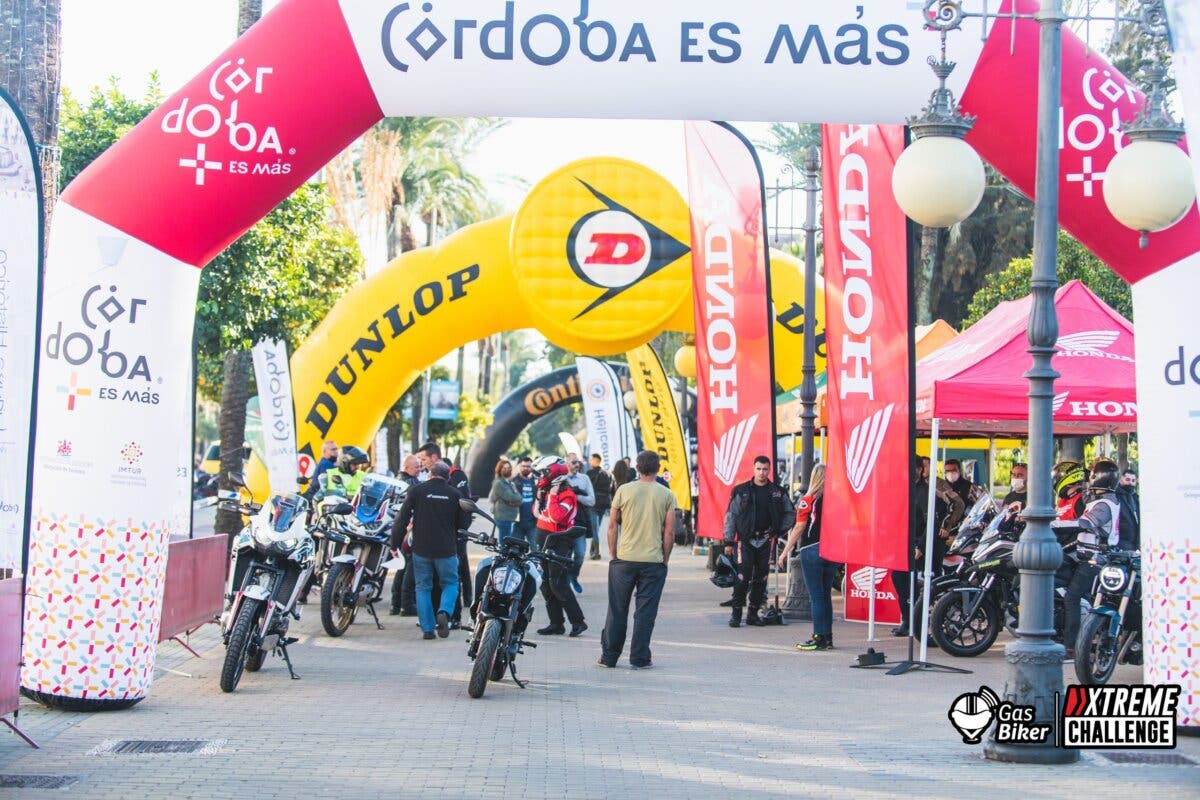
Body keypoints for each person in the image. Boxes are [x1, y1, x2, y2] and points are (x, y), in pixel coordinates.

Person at [598, 450, 676, 670]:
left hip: (624, 559)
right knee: (646, 612)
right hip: (653, 561)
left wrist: (613, 555)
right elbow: (669, 533)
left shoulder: (623, 490)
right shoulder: (666, 494)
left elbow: (612, 526)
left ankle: (609, 657)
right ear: (658, 468)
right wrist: (665, 559)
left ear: (637, 469)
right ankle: (640, 658)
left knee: (617, 609)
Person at [391, 462, 470, 640]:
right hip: (446, 549)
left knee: (423, 587)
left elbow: (401, 519)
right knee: (450, 584)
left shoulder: (417, 491)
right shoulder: (454, 494)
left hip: (421, 549)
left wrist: (394, 544)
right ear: (448, 477)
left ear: (430, 474)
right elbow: (463, 525)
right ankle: (444, 611)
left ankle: (427, 629)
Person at [722, 455, 795, 628]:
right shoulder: (741, 490)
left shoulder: (777, 492)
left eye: (765, 469)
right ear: (753, 469)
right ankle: (736, 614)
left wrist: (778, 531)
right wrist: (728, 541)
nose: (762, 472)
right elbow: (730, 516)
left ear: (769, 470)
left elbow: (791, 513)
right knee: (742, 578)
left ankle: (752, 614)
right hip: (745, 540)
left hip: (765, 540)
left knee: (761, 579)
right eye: (759, 469)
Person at [893, 456, 961, 637]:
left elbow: (931, 521)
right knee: (901, 581)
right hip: (908, 543)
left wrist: (920, 547)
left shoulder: (927, 491)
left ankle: (925, 622)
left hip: (925, 545)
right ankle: (908, 620)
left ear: (920, 470)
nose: (910, 472)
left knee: (927, 586)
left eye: (914, 468)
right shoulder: (906, 489)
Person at [1062, 458, 1122, 659]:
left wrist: (1050, 524)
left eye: (1092, 475)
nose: (1088, 479)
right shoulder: (1103, 500)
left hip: (1094, 560)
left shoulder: (1105, 505)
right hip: (1087, 556)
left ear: (1099, 478)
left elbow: (1085, 523)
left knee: (1072, 597)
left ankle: (1071, 647)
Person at [777, 464, 836, 651]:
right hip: (832, 550)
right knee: (826, 595)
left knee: (816, 596)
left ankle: (818, 637)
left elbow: (799, 528)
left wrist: (786, 551)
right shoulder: (836, 500)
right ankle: (827, 637)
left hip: (811, 550)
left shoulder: (807, 500)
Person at [417, 442, 473, 628]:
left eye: (424, 459)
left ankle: (453, 617)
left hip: (453, 537)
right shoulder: (426, 478)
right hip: (430, 538)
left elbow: (465, 508)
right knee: (433, 579)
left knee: (453, 576)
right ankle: (435, 615)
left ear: (434, 458)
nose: (421, 463)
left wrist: (459, 533)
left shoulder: (456, 475)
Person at [535, 463, 587, 637]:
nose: (542, 477)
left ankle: (578, 622)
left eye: (545, 473)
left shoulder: (567, 495)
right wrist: (540, 497)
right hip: (544, 540)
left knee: (558, 583)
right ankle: (556, 623)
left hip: (560, 542)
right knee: (546, 585)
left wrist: (553, 497)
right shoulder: (550, 493)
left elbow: (557, 517)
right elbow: (537, 513)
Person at [390, 454, 424, 616]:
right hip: (409, 532)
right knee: (409, 568)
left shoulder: (403, 482)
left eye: (420, 465)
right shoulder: (408, 485)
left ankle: (396, 604)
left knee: (402, 568)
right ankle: (406, 604)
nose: (420, 468)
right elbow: (403, 515)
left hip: (403, 532)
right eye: (416, 466)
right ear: (407, 468)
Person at [564, 454, 595, 589]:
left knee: (580, 553)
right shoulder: (561, 478)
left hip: (579, 522)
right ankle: (564, 580)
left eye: (578, 462)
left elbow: (592, 500)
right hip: (563, 523)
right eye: (573, 462)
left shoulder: (584, 478)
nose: (577, 465)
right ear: (566, 463)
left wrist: (575, 496)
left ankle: (573, 576)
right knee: (565, 555)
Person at [586, 454, 614, 560]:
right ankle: (593, 551)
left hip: (593, 503)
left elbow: (586, 488)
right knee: (596, 528)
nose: (590, 462)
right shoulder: (608, 474)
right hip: (604, 504)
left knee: (595, 529)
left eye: (591, 460)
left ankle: (596, 552)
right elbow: (612, 489)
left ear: (596, 461)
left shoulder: (589, 473)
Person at [488, 458, 522, 542]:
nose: (507, 470)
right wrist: (519, 497)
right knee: (504, 542)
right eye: (504, 468)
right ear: (499, 469)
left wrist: (518, 498)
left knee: (507, 540)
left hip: (509, 517)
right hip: (503, 517)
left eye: (508, 468)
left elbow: (518, 499)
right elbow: (511, 497)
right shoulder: (499, 483)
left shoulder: (509, 482)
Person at [512, 457, 540, 551]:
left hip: (533, 522)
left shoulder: (537, 482)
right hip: (517, 522)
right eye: (523, 466)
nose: (525, 468)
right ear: (520, 466)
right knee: (515, 550)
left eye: (528, 466)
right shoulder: (514, 482)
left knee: (535, 549)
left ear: (532, 467)